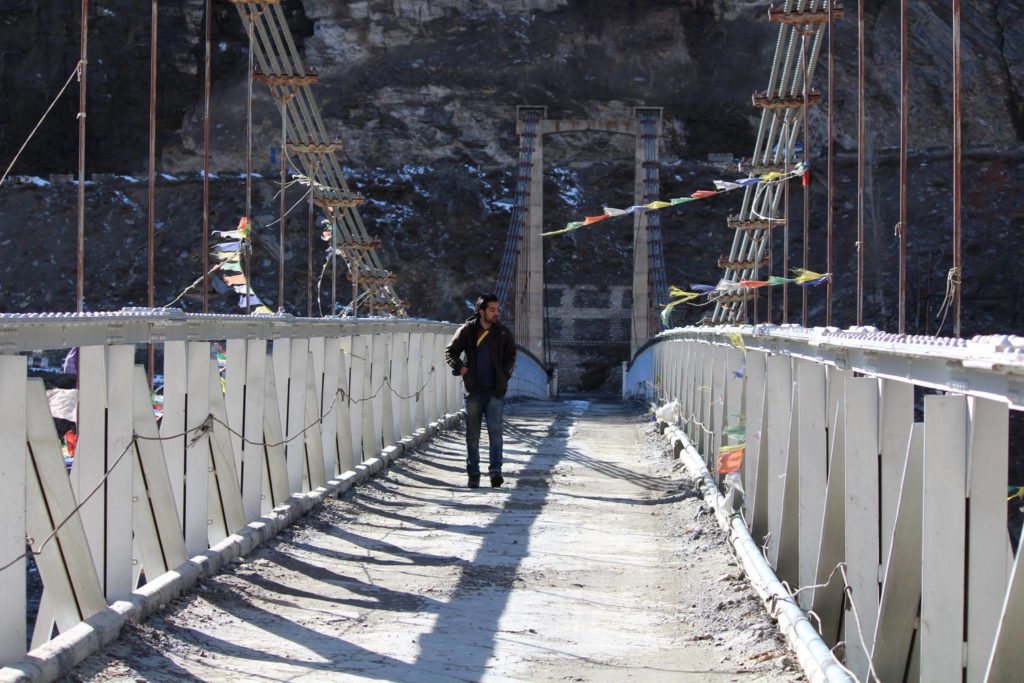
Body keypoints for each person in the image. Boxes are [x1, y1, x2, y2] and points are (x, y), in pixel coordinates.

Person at [444, 293, 516, 488]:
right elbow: (450, 352)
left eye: (498, 310)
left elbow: (511, 357)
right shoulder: (467, 331)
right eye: (492, 310)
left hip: (495, 392)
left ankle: (495, 472)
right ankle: (473, 474)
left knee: (496, 433)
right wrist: (461, 368)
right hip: (473, 391)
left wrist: (505, 375)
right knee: (473, 435)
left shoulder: (503, 333)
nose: (496, 313)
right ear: (481, 311)